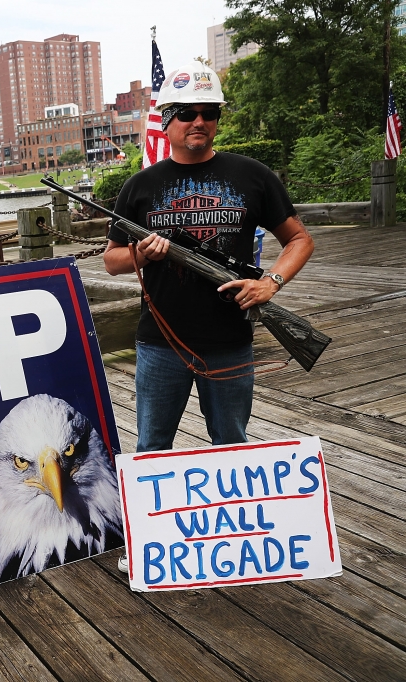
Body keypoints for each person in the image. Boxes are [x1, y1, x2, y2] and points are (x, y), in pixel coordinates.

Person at [102, 62, 315, 572]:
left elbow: (300, 240)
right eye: (186, 114)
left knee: (231, 447)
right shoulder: (141, 186)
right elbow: (111, 259)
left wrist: (271, 283)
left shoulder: (252, 176)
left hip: (230, 341)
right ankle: (150, 547)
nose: (198, 122)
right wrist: (145, 256)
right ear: (167, 121)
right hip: (161, 344)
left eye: (209, 113)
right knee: (153, 447)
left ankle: (236, 549)